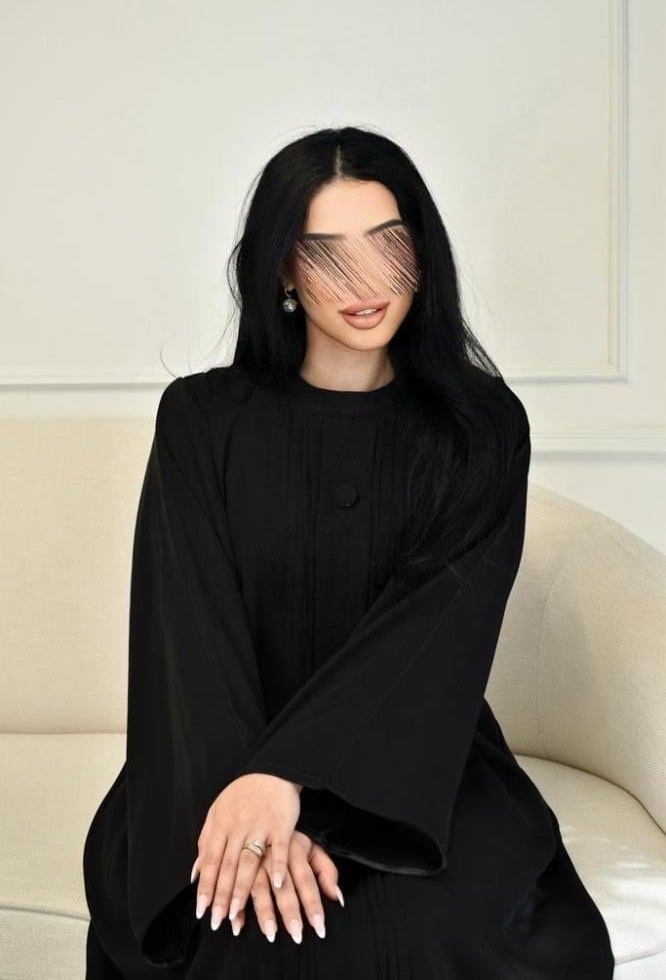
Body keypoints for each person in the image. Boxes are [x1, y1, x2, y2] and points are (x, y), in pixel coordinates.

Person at [82, 126, 615, 978]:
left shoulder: (482, 428)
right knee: (237, 926)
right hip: (211, 761)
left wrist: (294, 779)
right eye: (325, 253)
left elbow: (433, 632)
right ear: (282, 271)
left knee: (433, 925)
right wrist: (252, 794)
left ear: (424, 255)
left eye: (388, 244)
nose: (365, 282)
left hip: (416, 759)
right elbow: (188, 636)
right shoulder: (201, 420)